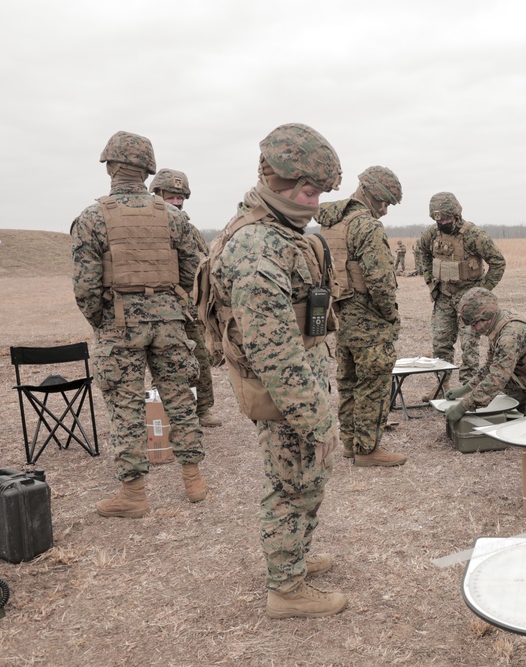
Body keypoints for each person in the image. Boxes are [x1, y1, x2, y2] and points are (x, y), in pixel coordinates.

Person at [205, 123, 347, 618]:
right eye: (309, 191)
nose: (315, 204)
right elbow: (274, 352)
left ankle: (296, 558)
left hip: (301, 385)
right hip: (283, 393)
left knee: (308, 477)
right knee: (290, 485)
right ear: (279, 181)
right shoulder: (256, 246)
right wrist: (318, 418)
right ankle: (285, 589)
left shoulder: (282, 234)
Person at [70, 131, 207, 518]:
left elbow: (85, 286)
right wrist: (174, 305)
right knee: (180, 399)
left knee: (126, 406)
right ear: (148, 170)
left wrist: (104, 320)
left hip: (120, 322)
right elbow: (194, 272)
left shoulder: (92, 217)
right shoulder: (173, 215)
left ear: (111, 166)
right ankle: (193, 480)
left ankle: (133, 494)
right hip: (169, 322)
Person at [317, 166, 406, 467]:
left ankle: (350, 443)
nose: (384, 209)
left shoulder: (332, 224)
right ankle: (368, 449)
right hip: (367, 317)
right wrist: (390, 315)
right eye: (382, 201)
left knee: (348, 380)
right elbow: (380, 281)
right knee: (373, 382)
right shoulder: (366, 226)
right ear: (366, 191)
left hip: (341, 313)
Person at [149, 168, 222, 428]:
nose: (177, 202)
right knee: (166, 364)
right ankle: (163, 413)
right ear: (156, 194)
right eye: (171, 196)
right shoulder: (148, 226)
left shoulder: (188, 228)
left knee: (199, 358)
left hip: (188, 307)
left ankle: (203, 409)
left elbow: (201, 264)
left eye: (181, 197)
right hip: (160, 308)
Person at [415, 192, 505, 395]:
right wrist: (430, 280)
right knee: (440, 344)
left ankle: (468, 389)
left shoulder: (474, 235)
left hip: (469, 300)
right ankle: (441, 386)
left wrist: (481, 292)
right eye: (437, 219)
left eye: (446, 219)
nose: (442, 223)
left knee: (469, 347)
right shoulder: (432, 234)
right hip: (444, 297)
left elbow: (498, 262)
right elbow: (422, 252)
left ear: (456, 215)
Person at [445, 287, 526, 420]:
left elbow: (497, 379)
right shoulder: (499, 324)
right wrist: (465, 390)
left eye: (474, 324)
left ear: (487, 317)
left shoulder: (509, 337)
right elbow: (490, 367)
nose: (473, 329)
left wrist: (463, 407)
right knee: (509, 387)